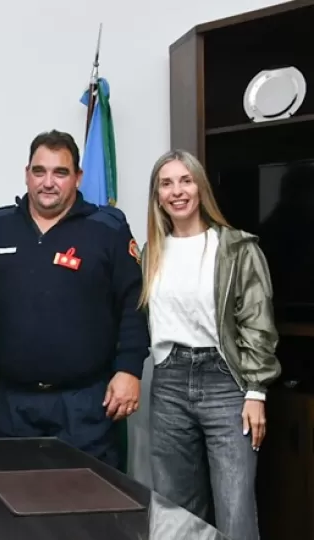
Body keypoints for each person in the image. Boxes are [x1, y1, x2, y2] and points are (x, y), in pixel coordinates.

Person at [0, 130, 149, 468]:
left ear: (78, 177)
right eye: (39, 171)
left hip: (87, 403)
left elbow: (134, 302)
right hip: (13, 403)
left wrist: (130, 369)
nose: (48, 183)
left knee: (91, 498)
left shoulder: (107, 228)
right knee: (15, 496)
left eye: (60, 172)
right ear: (27, 173)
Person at [142, 149, 280, 540]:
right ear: (157, 196)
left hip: (225, 382)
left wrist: (256, 392)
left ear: (200, 187)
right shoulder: (152, 252)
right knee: (175, 511)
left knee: (235, 510)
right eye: (166, 184)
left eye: (186, 180)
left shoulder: (237, 248)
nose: (177, 191)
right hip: (169, 383)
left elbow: (258, 323)